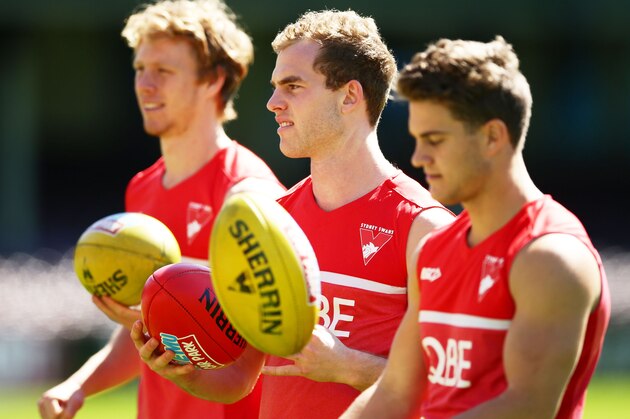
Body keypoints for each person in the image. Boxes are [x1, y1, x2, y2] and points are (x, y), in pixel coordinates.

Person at [129, 9, 455, 419]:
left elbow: (458, 391)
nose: (272, 102)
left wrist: (347, 366)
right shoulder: (272, 221)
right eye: (275, 87)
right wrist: (182, 371)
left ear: (349, 96)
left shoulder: (425, 228)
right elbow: (241, 379)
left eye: (293, 86)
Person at [37, 1, 285, 418]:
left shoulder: (250, 196)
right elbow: (144, 334)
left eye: (164, 72)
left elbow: (248, 364)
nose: (145, 85)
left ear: (213, 80)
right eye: (139, 69)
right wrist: (78, 385)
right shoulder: (143, 187)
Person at [341, 36, 611, 419]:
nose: (419, 157)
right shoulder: (434, 249)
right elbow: (396, 390)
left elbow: (527, 407)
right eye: (418, 139)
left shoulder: (549, 258)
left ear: (492, 137)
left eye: (435, 140)